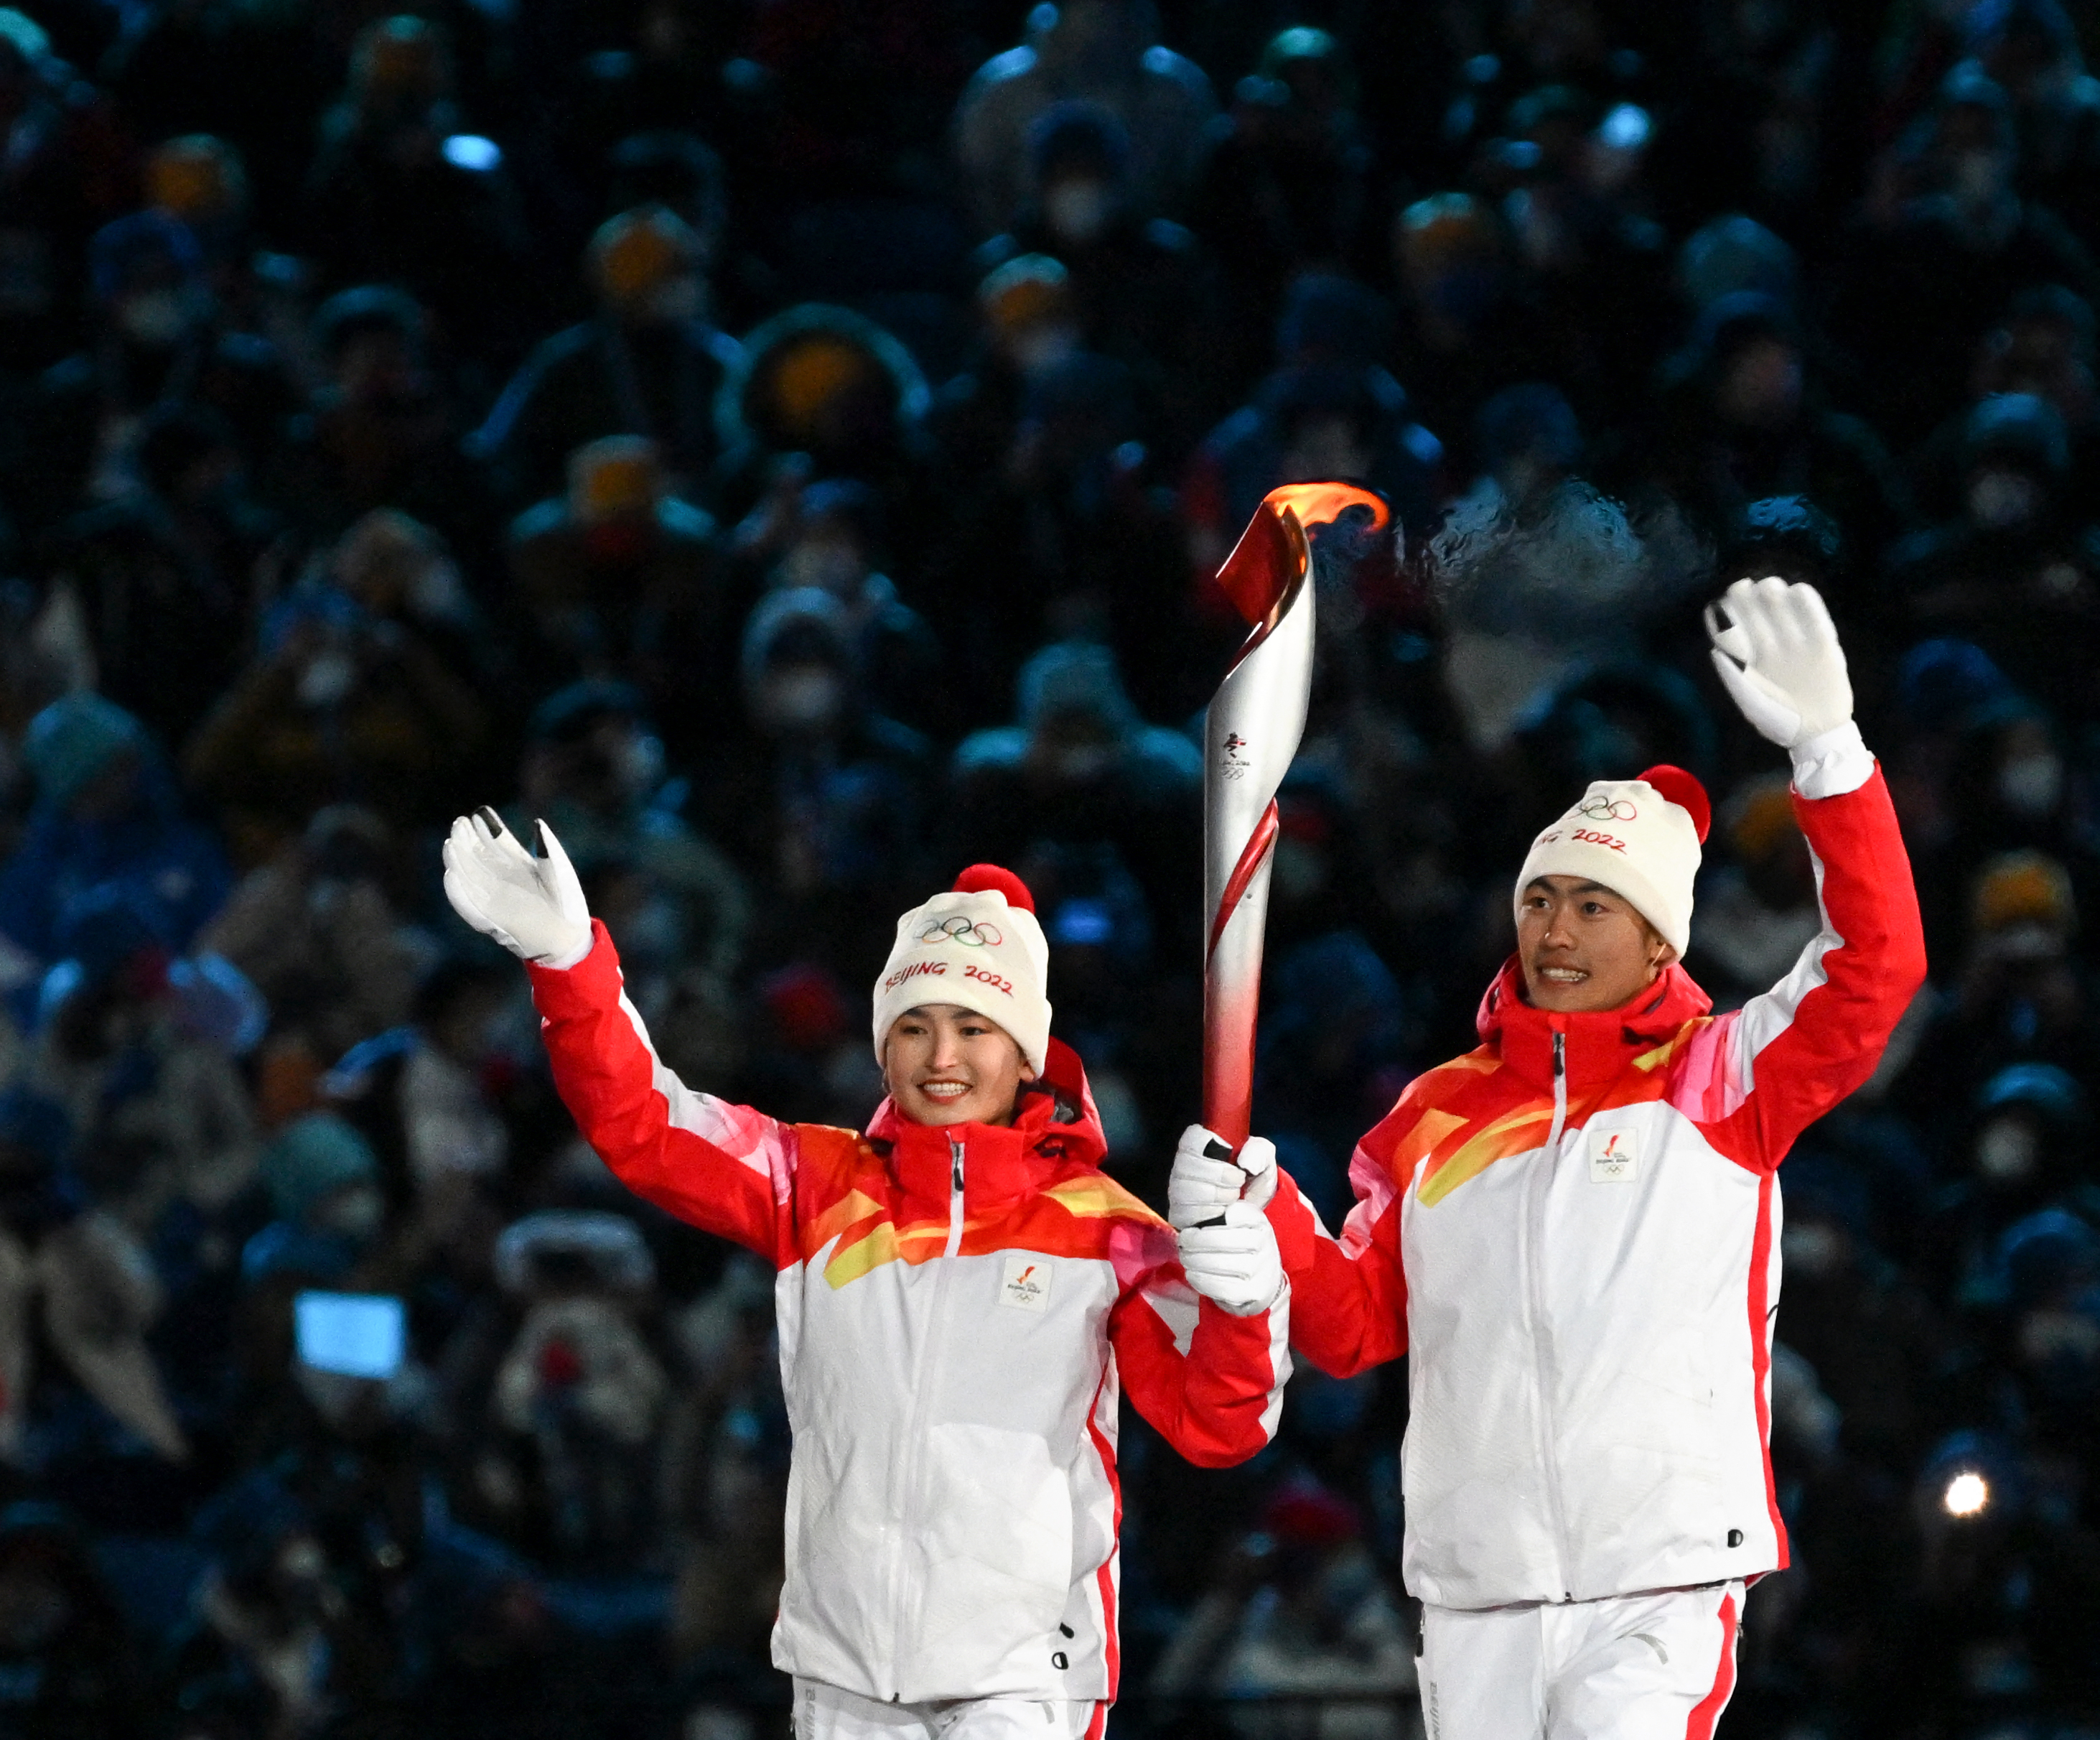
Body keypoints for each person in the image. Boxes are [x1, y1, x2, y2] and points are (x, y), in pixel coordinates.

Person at [1177, 577, 1924, 1739]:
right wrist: (1262, 1223)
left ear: (1660, 939)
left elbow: (1874, 969)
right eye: (1542, 899)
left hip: (1657, 1567)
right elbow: (1356, 1324)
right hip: (1478, 1583)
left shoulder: (1721, 1075)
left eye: (1594, 905)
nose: (1558, 929)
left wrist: (1829, 757)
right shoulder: (1435, 1114)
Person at [440, 819, 1290, 1736]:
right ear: (884, 1048)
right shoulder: (814, 1184)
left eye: (974, 1026)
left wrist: (1245, 1307)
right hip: (845, 1670)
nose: (941, 1056)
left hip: (1018, 1675)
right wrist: (570, 965)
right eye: (914, 1027)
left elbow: (1218, 1427)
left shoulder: (1110, 1232)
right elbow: (646, 1125)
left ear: (1026, 1051)